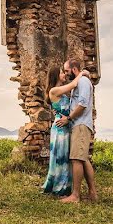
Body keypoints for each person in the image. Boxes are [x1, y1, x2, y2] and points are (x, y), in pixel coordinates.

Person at [41, 65, 89, 196]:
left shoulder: (61, 91)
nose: (65, 74)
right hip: (60, 129)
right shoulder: (54, 91)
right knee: (60, 157)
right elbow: (74, 84)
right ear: (56, 75)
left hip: (66, 127)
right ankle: (58, 187)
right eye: (62, 72)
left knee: (66, 158)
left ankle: (65, 186)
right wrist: (82, 73)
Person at [56, 59, 98, 203]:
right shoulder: (79, 82)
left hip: (80, 125)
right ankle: (92, 193)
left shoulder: (83, 82)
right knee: (83, 158)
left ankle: (75, 195)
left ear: (74, 70)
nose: (66, 74)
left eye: (67, 71)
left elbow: (82, 105)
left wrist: (68, 118)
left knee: (76, 159)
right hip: (79, 125)